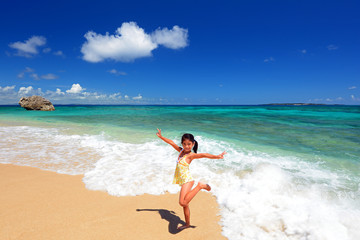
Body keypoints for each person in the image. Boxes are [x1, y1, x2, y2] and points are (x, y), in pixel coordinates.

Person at [156, 128, 226, 230]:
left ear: (193, 144)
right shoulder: (181, 151)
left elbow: (203, 155)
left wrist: (217, 156)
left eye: (189, 144)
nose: (187, 146)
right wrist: (161, 137)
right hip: (183, 180)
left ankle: (200, 186)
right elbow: (171, 142)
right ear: (182, 144)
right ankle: (187, 224)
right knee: (185, 204)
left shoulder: (190, 155)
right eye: (184, 144)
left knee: (182, 202)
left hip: (188, 180)